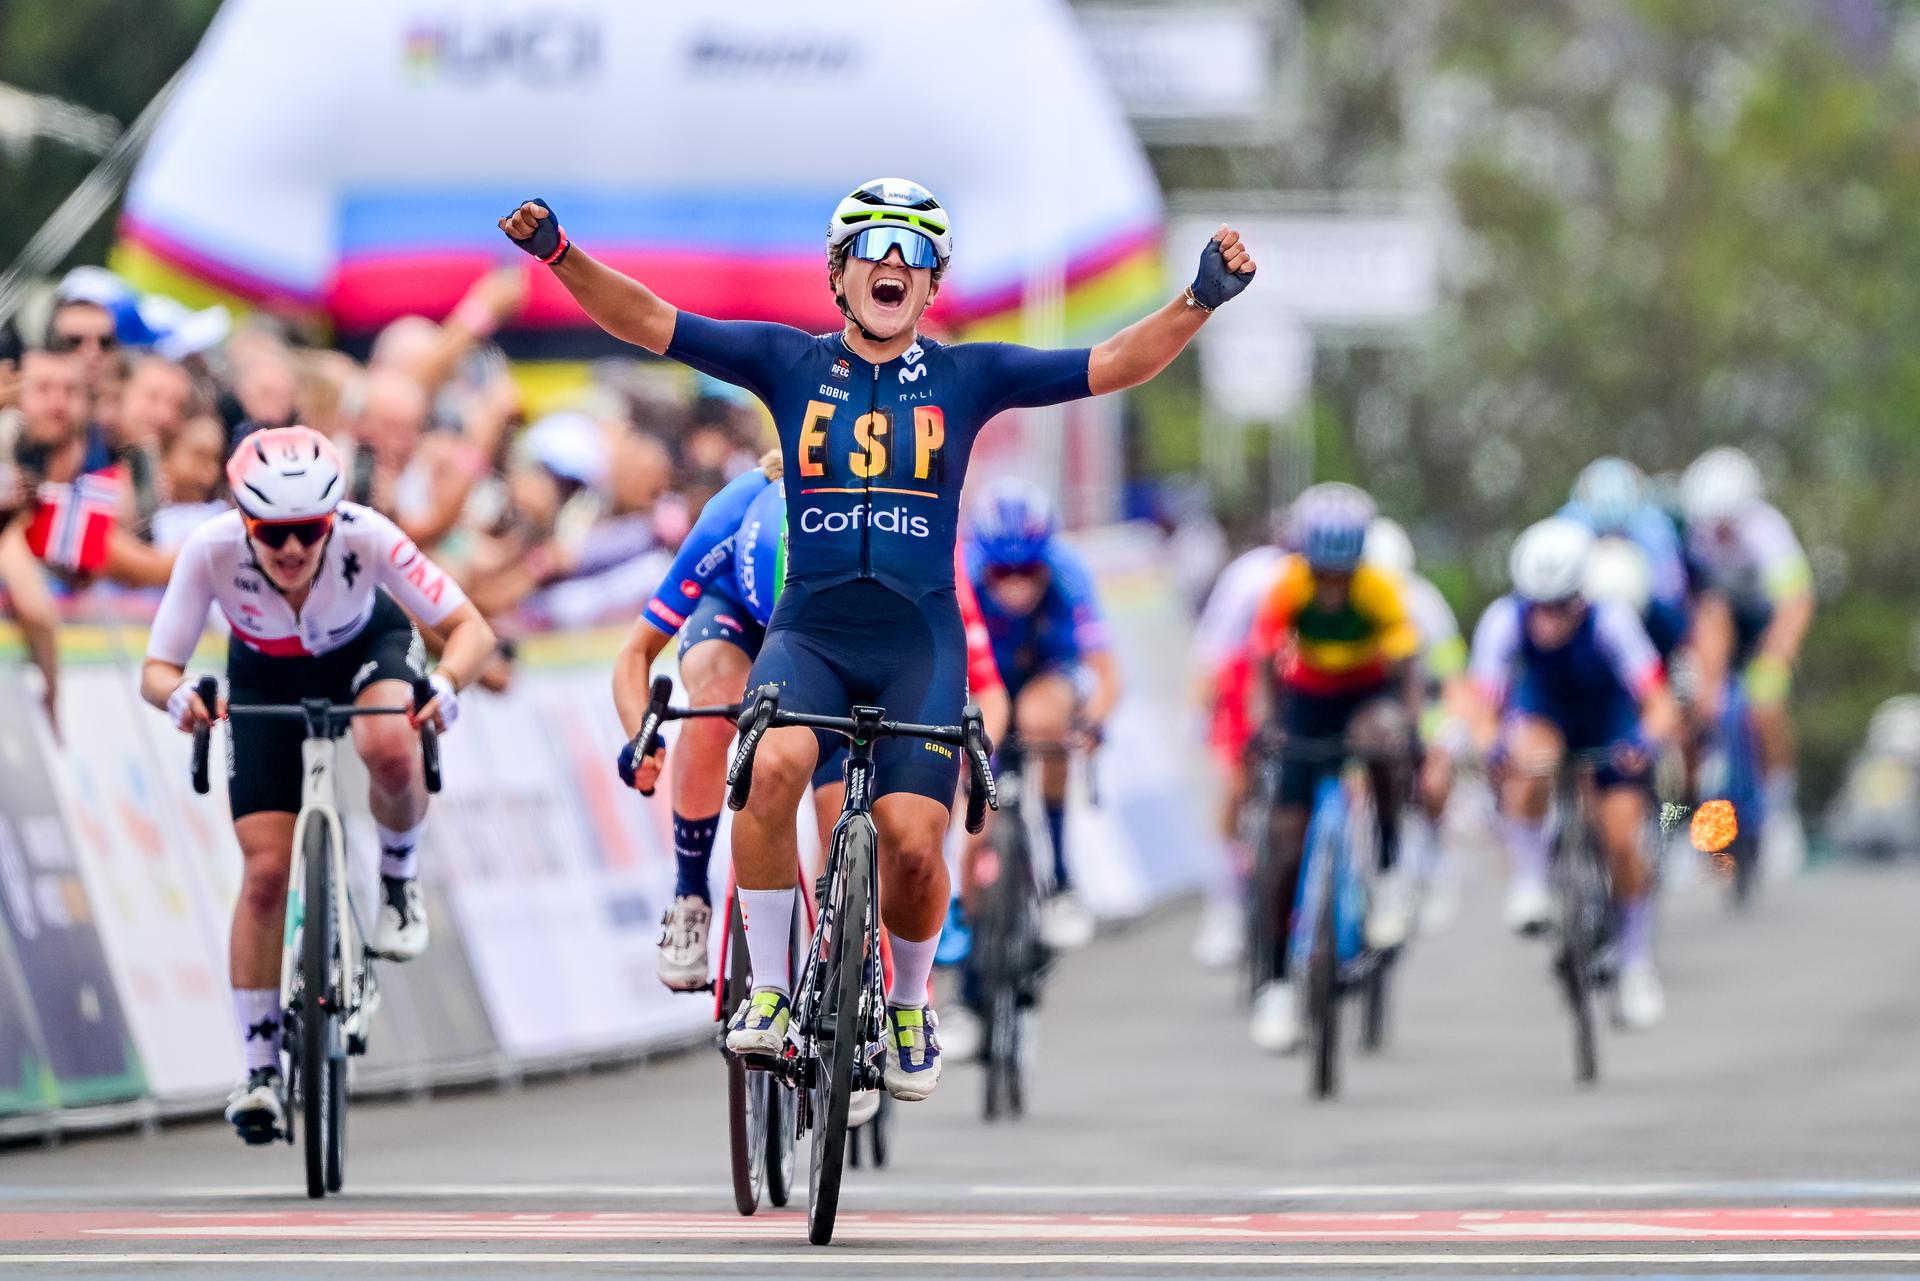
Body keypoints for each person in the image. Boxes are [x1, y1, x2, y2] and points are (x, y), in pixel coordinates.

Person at [512, 176, 1255, 1102]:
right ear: (839, 272)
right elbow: (648, 320)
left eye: (913, 252)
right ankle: (776, 991)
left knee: (912, 843)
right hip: (811, 631)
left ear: (934, 280)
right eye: (874, 247)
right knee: (770, 769)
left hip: (918, 645)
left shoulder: (966, 375)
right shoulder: (786, 362)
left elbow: (1110, 364)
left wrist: (1196, 303)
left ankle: (909, 1001)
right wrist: (560, 256)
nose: (892, 264)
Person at [139, 426, 496, 1142]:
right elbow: (156, 669)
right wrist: (181, 699)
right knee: (267, 870)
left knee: (388, 740)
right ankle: (260, 1070)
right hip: (264, 671)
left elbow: (470, 629)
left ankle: (398, 876)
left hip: (367, 650)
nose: (295, 549)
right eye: (275, 534)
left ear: (334, 519)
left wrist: (449, 685)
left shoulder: (369, 535)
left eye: (310, 530)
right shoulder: (209, 548)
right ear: (245, 522)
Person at [1464, 517, 1680, 1029]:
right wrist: (1491, 744)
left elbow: (1658, 701)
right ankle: (1532, 879)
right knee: (1531, 762)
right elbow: (1482, 705)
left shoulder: (1612, 621)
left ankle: (1634, 963)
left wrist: (1645, 742)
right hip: (1545, 715)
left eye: (1560, 606)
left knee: (1625, 840)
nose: (1548, 621)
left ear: (1581, 596)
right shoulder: (1502, 620)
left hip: (1609, 723)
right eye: (1538, 606)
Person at [1241, 483, 1420, 1053]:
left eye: (1344, 574)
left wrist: (1409, 727)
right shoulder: (1288, 587)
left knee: (1384, 743)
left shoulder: (1380, 590)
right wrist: (1266, 725)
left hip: (1368, 694)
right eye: (1325, 574)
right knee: (1284, 846)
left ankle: (1388, 871)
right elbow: (1264, 664)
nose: (1335, 587)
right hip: (1307, 699)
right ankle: (1274, 984)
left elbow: (1409, 668)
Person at [962, 478, 1118, 949]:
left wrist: (1091, 721)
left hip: (1045, 674)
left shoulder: (1069, 573)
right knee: (974, 830)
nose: (1015, 585)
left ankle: (1061, 874)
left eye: (1028, 570)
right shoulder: (960, 574)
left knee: (1042, 720)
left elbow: (1107, 672)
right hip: (983, 681)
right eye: (1001, 572)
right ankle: (970, 970)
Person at [1679, 446, 1814, 876]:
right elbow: (1698, 611)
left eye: (1726, 524)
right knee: (1700, 714)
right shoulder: (1691, 534)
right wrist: (1703, 677)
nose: (1717, 532)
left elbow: (1794, 604)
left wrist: (1775, 660)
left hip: (1765, 623)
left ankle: (1779, 813)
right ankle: (1690, 824)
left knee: (1764, 705)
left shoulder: (1769, 531)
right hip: (1718, 624)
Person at [1362, 516, 1471, 931]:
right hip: (1370, 702)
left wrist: (1448, 738)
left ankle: (1436, 859)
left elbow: (1454, 680)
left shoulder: (1425, 605)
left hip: (1421, 706)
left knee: (1431, 781)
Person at [1186, 530, 1285, 967]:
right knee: (1232, 787)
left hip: (1300, 680)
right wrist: (1197, 713)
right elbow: (1213, 653)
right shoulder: (1250, 578)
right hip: (1247, 678)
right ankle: (1224, 906)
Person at [1561, 457, 1690, 656]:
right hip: (1585, 621)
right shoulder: (1570, 523)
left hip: (1650, 618)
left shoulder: (1654, 524)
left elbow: (1672, 590)